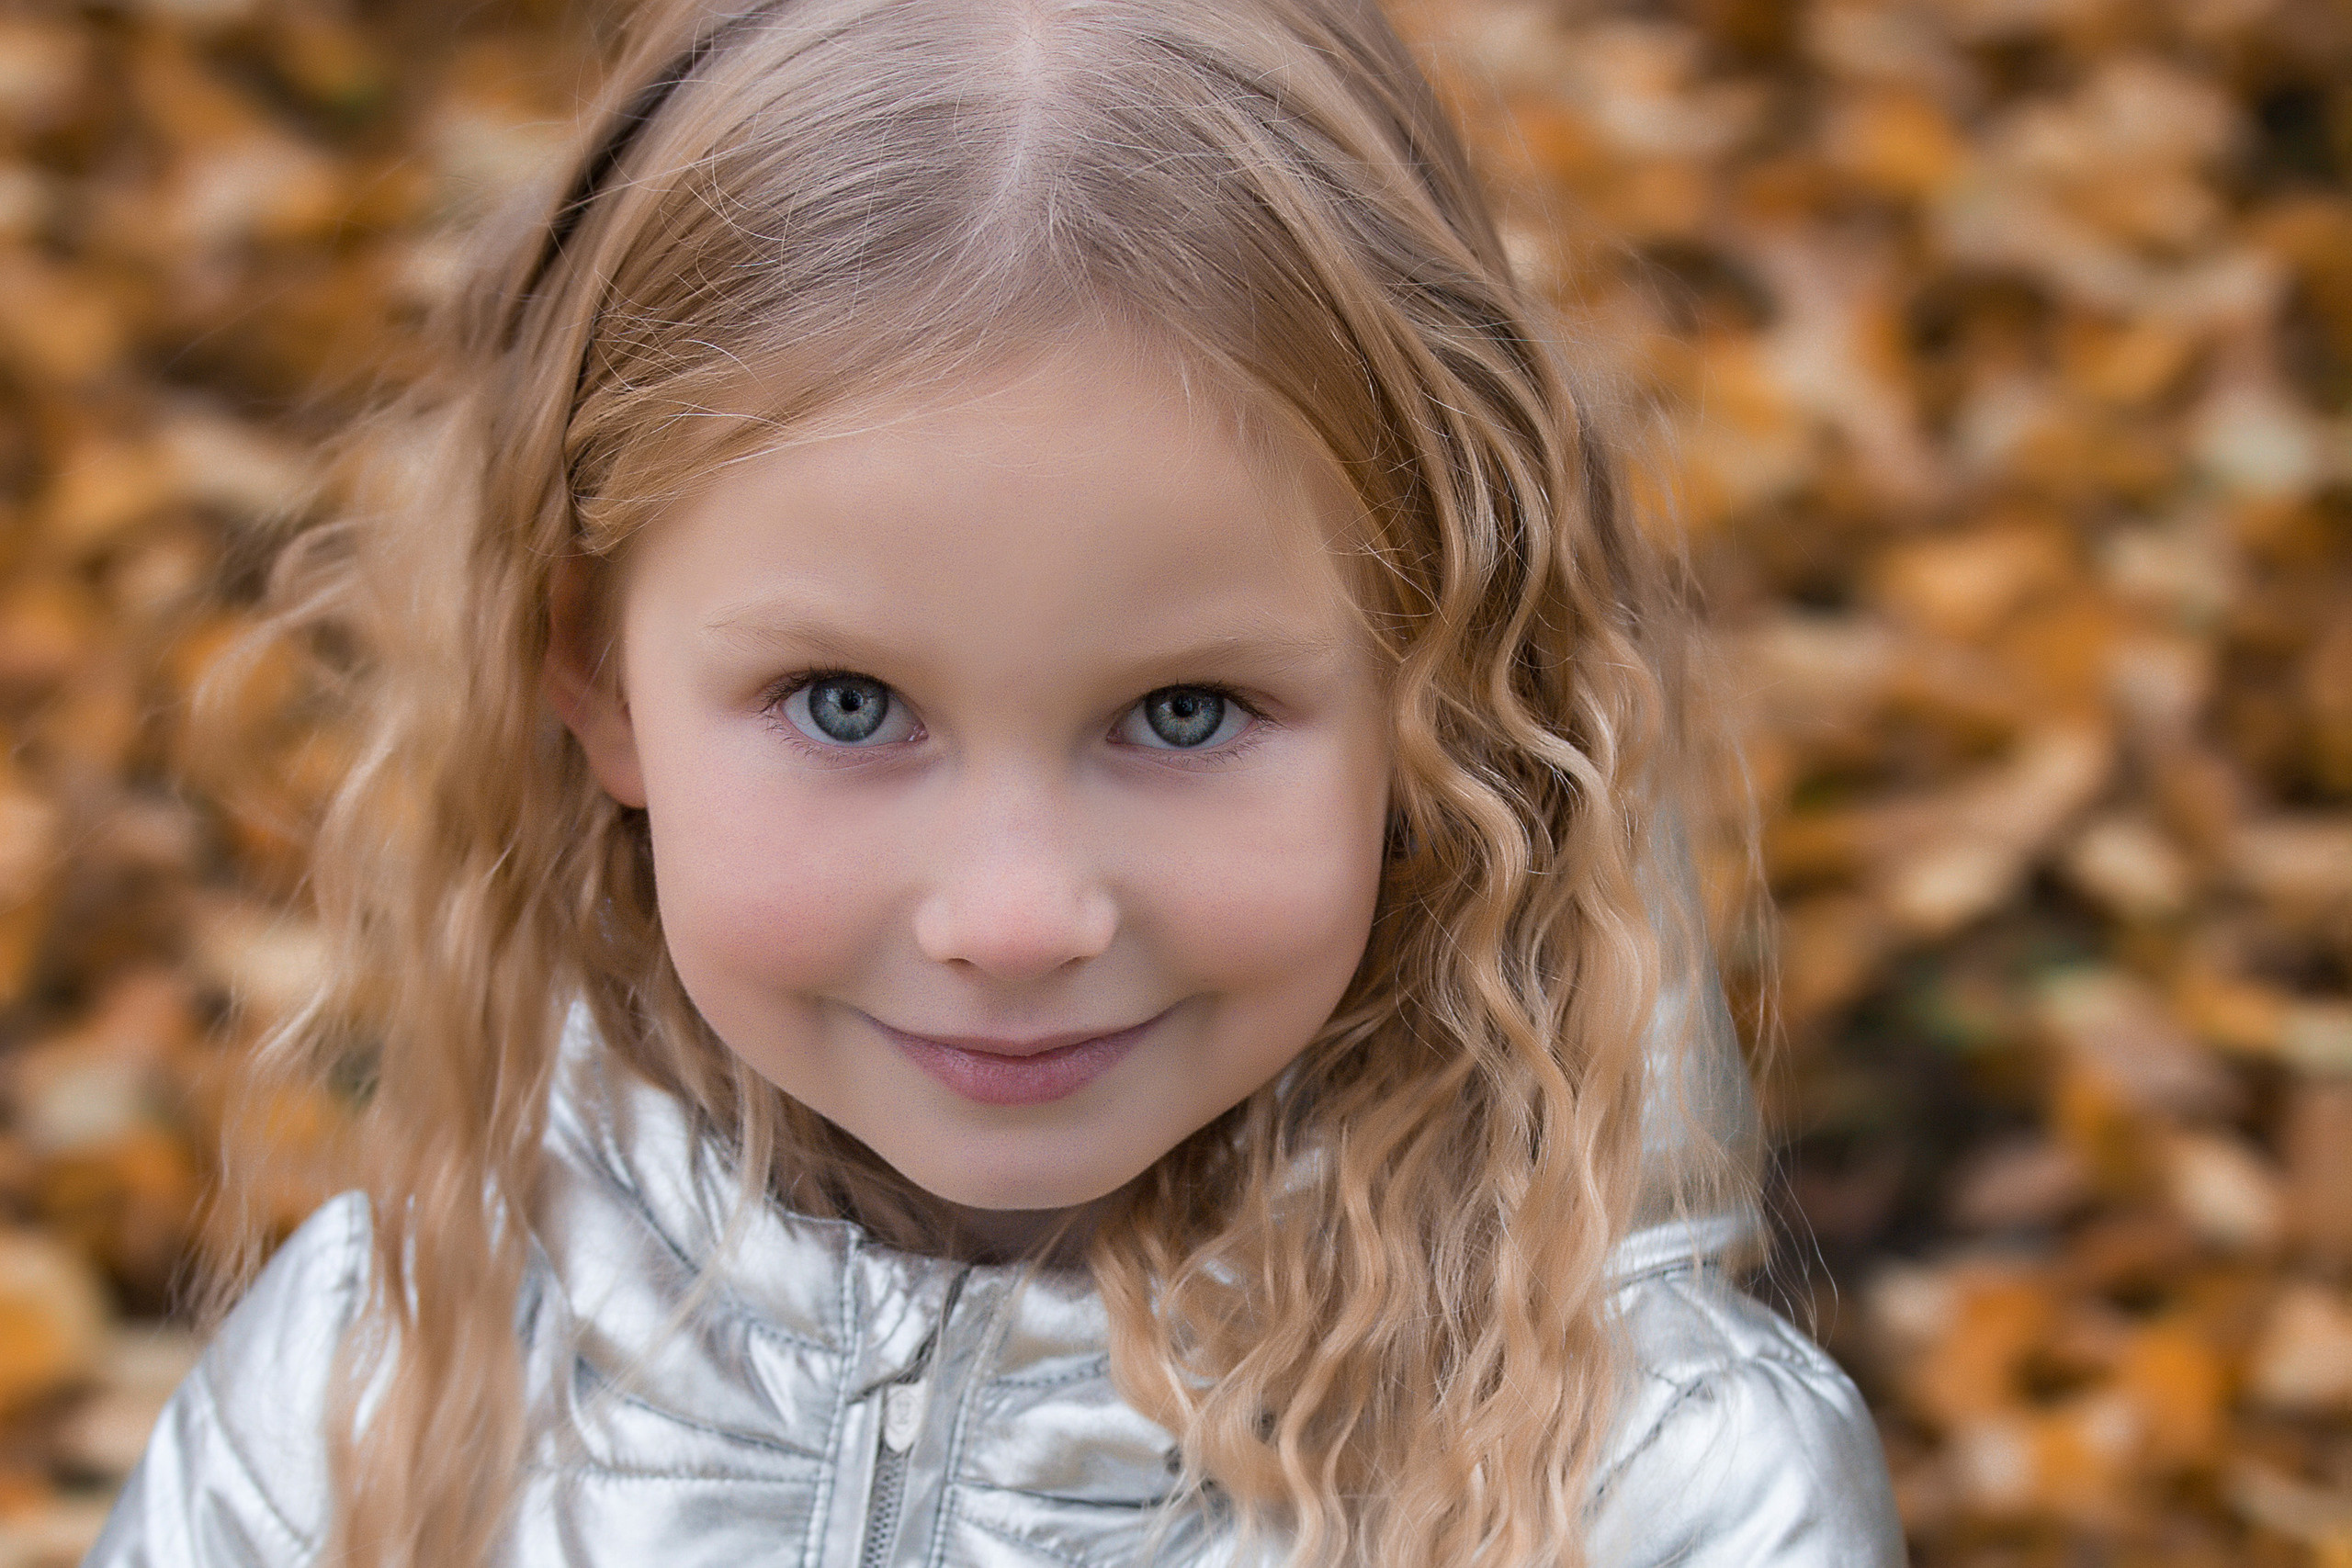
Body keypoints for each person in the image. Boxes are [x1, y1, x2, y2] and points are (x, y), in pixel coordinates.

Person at [86, 1, 1905, 1563]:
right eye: (846, 705)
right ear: (590, 666)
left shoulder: (1652, 1490)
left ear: (1437, 683)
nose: (1016, 918)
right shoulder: (375, 1380)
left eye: (1183, 712)